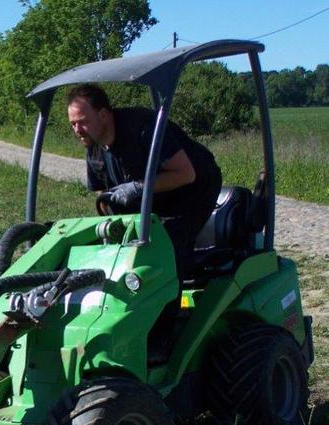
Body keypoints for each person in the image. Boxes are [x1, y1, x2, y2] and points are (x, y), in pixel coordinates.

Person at [65, 83, 222, 279]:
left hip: (195, 187)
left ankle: (169, 304)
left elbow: (186, 174)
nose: (77, 130)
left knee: (164, 245)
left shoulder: (142, 129)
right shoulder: (93, 142)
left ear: (104, 115)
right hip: (155, 196)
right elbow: (103, 195)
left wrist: (138, 187)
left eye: (82, 121)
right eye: (73, 124)